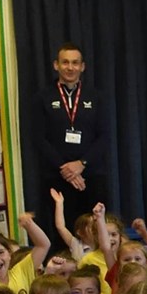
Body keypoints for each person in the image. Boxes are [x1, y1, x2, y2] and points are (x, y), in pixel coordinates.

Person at [41, 44, 105, 217]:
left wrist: (82, 164)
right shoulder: (43, 96)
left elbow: (104, 136)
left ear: (82, 67)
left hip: (90, 175)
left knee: (95, 228)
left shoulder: (96, 96)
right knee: (63, 230)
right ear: (56, 65)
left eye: (75, 63)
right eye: (65, 62)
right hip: (57, 175)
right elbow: (39, 138)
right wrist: (66, 169)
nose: (70, 67)